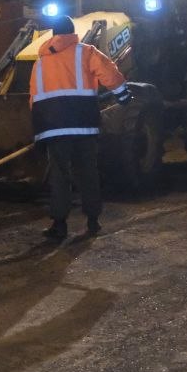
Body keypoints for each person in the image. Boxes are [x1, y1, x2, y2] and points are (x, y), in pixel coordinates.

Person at [29, 15, 130, 241]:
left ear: (54, 34)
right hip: (84, 125)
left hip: (54, 129)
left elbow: (34, 97)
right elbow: (108, 71)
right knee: (87, 171)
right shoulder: (86, 52)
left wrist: (39, 130)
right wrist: (123, 95)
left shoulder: (40, 62)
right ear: (73, 32)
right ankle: (93, 220)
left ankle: (59, 224)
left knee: (59, 174)